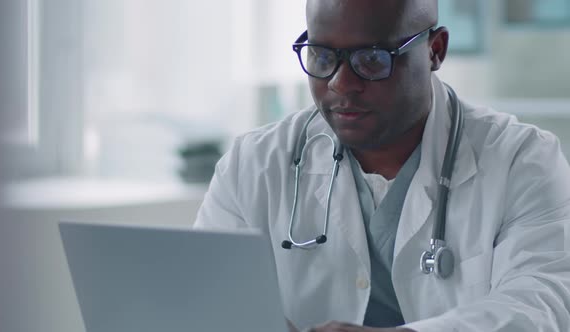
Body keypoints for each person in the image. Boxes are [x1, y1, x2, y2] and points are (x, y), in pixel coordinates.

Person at [194, 0, 570, 331]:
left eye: (372, 60)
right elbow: (203, 299)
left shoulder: (522, 160)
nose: (341, 84)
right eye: (322, 57)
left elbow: (543, 304)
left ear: (434, 50)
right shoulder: (253, 165)